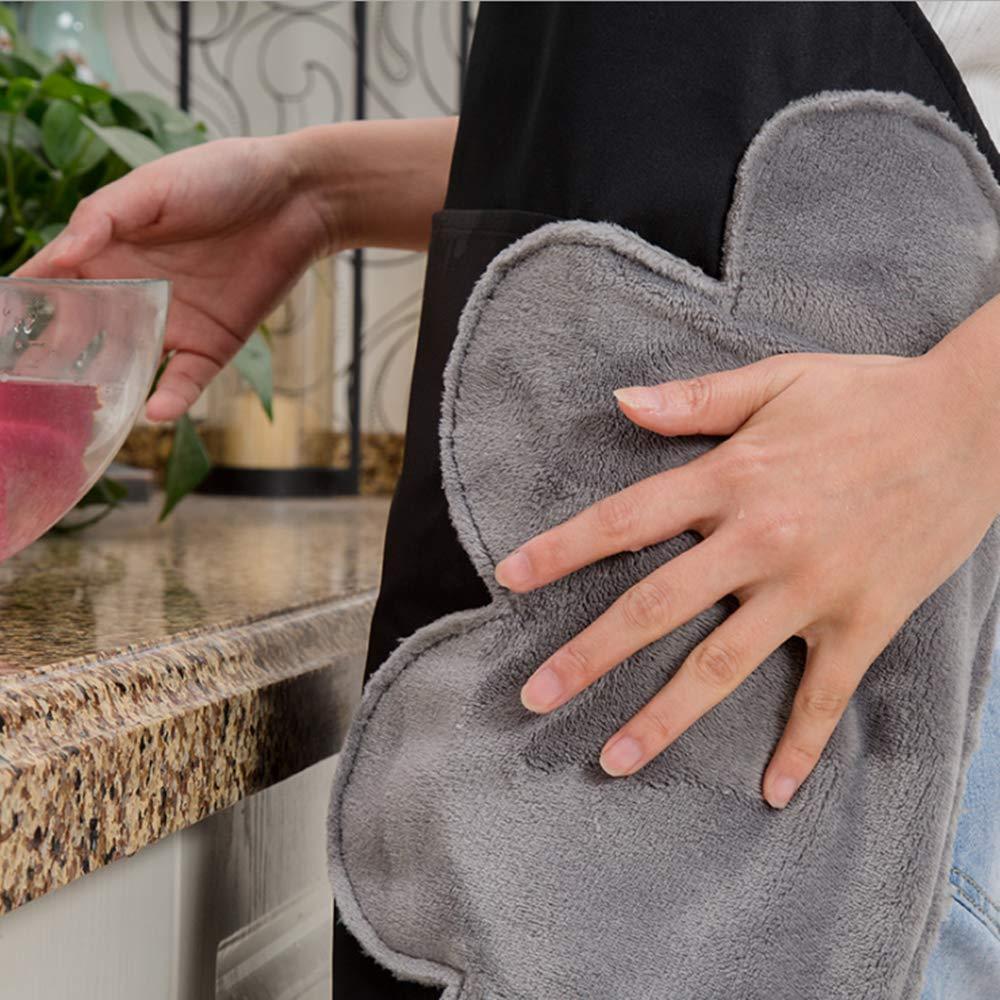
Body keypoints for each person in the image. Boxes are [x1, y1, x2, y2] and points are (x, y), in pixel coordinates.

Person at [19, 4, 999, 998]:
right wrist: (320, 190)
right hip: (522, 724)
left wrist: (965, 415)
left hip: (868, 659)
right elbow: (663, 138)